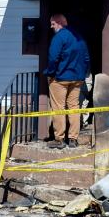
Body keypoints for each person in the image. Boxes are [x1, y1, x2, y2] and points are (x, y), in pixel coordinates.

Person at [45, 13, 90, 149]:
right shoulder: (79, 37)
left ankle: (59, 139)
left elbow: (53, 58)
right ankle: (73, 139)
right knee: (74, 107)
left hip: (60, 78)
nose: (51, 27)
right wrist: (82, 73)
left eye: (52, 24)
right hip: (77, 79)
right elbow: (86, 58)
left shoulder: (59, 37)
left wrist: (51, 73)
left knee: (58, 107)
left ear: (59, 23)